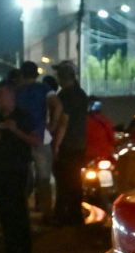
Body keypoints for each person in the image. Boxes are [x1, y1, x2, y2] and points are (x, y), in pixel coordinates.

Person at [0, 79, 38, 253]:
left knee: (18, 212)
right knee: (3, 213)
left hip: (17, 169)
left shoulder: (24, 116)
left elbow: (35, 141)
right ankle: (9, 252)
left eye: (0, 93)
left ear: (11, 95)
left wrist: (15, 130)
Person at [15, 61, 63, 219]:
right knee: (43, 179)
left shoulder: (17, 91)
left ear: (21, 74)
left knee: (23, 178)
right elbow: (57, 105)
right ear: (37, 74)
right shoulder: (44, 89)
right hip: (41, 137)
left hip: (21, 137)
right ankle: (47, 213)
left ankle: (20, 213)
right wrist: (52, 125)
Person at [50, 61, 88, 226]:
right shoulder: (81, 94)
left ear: (61, 78)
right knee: (75, 180)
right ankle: (75, 215)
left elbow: (64, 122)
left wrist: (56, 144)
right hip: (80, 144)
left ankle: (63, 216)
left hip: (67, 144)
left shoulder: (65, 95)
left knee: (63, 181)